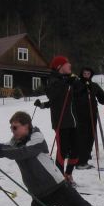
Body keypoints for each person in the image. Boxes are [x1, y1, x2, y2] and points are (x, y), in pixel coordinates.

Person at [34, 55, 79, 183]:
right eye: (67, 63)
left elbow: (79, 92)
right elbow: (53, 95)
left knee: (76, 150)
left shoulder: (69, 78)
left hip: (73, 121)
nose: (70, 65)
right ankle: (59, 178)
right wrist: (66, 83)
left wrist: (77, 83)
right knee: (62, 151)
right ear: (60, 67)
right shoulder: (52, 80)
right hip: (61, 122)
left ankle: (68, 174)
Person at [74, 66, 104, 169]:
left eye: (88, 74)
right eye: (85, 74)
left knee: (90, 138)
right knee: (82, 138)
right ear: (81, 74)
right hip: (80, 116)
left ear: (91, 75)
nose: (86, 76)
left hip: (92, 116)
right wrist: (83, 90)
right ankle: (80, 162)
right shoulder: (77, 84)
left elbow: (102, 99)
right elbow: (74, 97)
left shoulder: (94, 86)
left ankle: (84, 160)